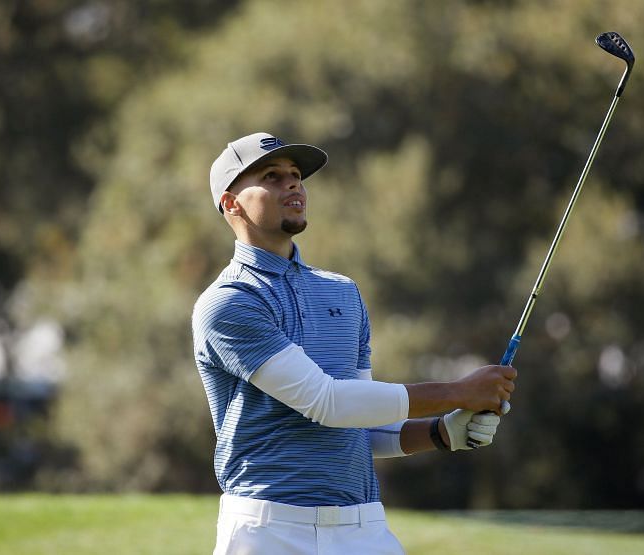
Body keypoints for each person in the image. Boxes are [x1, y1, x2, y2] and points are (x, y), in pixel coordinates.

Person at [192, 132, 517, 554]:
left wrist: (441, 432)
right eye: (271, 176)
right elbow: (327, 402)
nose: (292, 184)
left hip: (362, 525)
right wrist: (458, 391)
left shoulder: (342, 292)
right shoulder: (229, 302)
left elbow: (360, 422)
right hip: (269, 529)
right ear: (231, 203)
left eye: (296, 176)